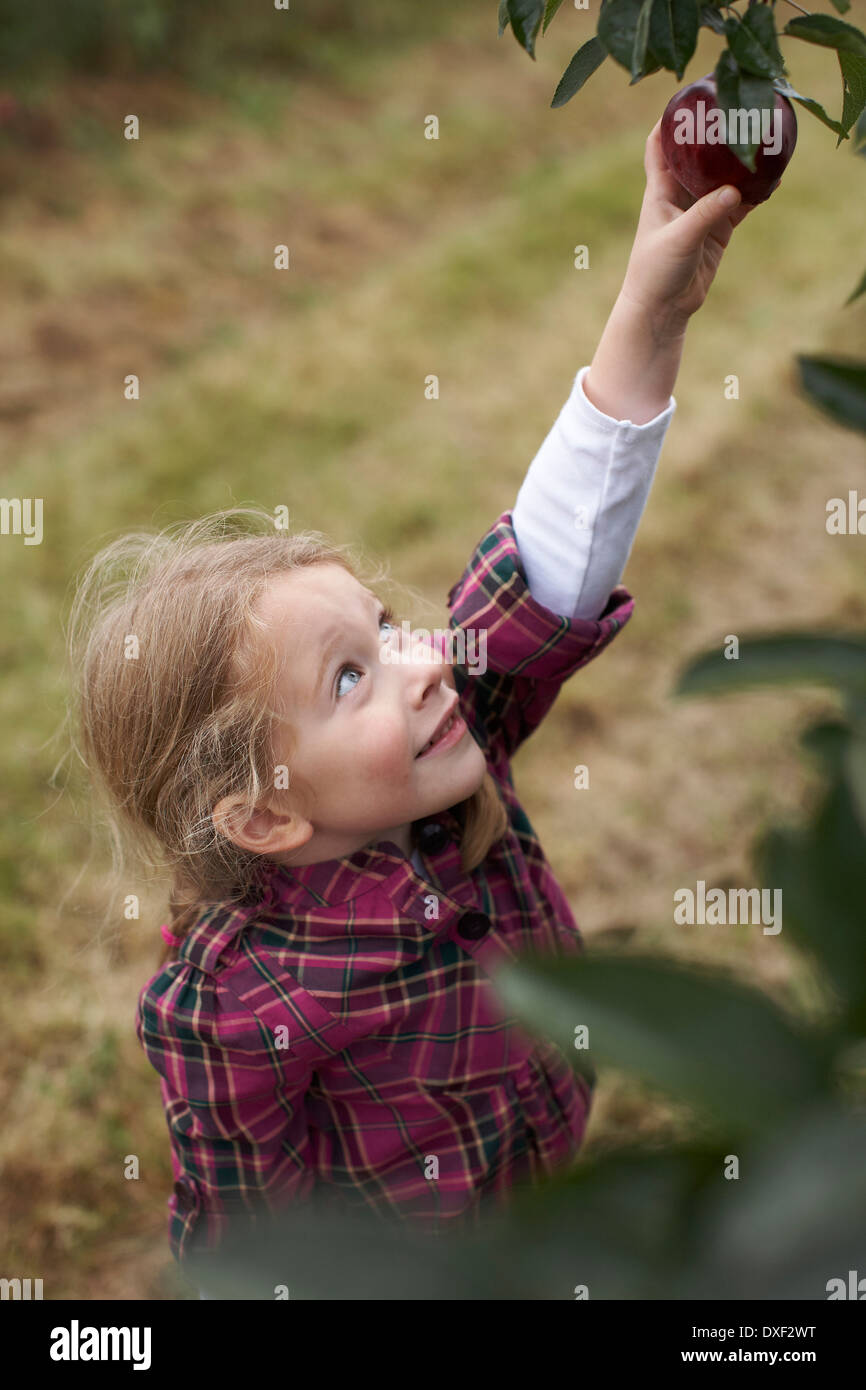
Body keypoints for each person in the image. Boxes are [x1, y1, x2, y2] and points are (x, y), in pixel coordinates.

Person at [67, 121, 753, 1300]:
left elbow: (552, 555)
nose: (420, 660)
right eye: (350, 676)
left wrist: (650, 311)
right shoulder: (233, 1010)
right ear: (267, 817)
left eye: (384, 629)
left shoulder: (447, 733)